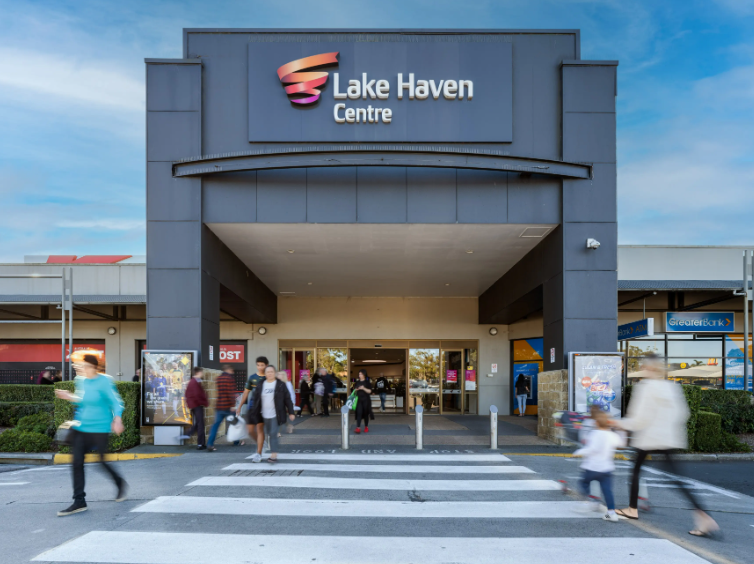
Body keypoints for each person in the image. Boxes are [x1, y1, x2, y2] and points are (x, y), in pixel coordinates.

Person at [614, 354, 720, 537]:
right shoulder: (672, 387)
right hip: (668, 438)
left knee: (636, 470)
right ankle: (704, 517)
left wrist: (617, 423)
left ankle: (632, 509)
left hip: (648, 438)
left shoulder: (645, 387)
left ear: (649, 368)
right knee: (676, 478)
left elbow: (639, 420)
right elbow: (683, 414)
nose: (643, 369)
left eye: (644, 366)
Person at [54, 354, 127, 517]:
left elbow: (116, 402)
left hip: (100, 428)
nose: (82, 369)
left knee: (101, 461)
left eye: (85, 366)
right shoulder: (80, 380)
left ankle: (119, 483)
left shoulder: (104, 381)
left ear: (94, 367)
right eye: (81, 366)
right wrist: (69, 396)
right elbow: (82, 399)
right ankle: (79, 501)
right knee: (77, 462)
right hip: (82, 427)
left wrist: (117, 419)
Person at [573, 406, 624, 522]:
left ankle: (587, 503)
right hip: (606, 469)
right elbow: (622, 443)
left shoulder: (594, 434)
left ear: (596, 423)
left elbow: (591, 449)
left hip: (592, 467)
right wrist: (620, 430)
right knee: (607, 491)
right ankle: (611, 513)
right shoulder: (612, 435)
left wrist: (578, 452)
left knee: (584, 483)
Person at [248, 365, 295, 463]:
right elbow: (255, 398)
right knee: (262, 433)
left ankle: (274, 454)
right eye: (268, 372)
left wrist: (291, 412)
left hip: (275, 414)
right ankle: (259, 452)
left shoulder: (280, 385)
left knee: (273, 433)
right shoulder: (261, 384)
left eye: (271, 372)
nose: (269, 374)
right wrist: (253, 411)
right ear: (265, 374)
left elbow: (287, 399)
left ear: (275, 373)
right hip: (262, 414)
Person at [235, 357, 268, 459]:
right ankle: (262, 443)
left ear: (266, 365)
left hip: (263, 408)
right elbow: (246, 393)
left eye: (262, 365)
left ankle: (258, 453)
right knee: (250, 431)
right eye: (258, 365)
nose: (260, 367)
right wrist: (239, 406)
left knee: (259, 429)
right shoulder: (252, 377)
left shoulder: (268, 377)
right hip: (252, 407)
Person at [207, 363, 238, 452]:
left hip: (219, 406)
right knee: (235, 424)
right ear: (228, 370)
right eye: (231, 370)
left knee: (215, 426)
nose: (232, 372)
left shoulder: (219, 378)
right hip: (228, 406)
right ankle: (236, 441)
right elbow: (230, 393)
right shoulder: (230, 379)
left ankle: (210, 444)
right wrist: (233, 405)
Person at [179, 367, 209, 450]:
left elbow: (188, 394)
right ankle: (200, 444)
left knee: (199, 423)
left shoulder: (194, 381)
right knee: (200, 424)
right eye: (201, 372)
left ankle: (189, 434)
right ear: (198, 372)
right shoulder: (194, 382)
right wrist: (203, 402)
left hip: (194, 405)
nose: (202, 374)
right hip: (197, 405)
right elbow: (197, 395)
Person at [354, 369, 372, 434]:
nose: (360, 375)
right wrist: (356, 390)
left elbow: (369, 391)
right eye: (359, 374)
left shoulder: (367, 382)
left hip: (366, 400)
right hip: (359, 400)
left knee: (365, 414)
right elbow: (354, 391)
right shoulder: (357, 382)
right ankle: (358, 427)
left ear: (364, 375)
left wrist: (363, 388)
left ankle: (366, 426)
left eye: (361, 374)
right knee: (359, 413)